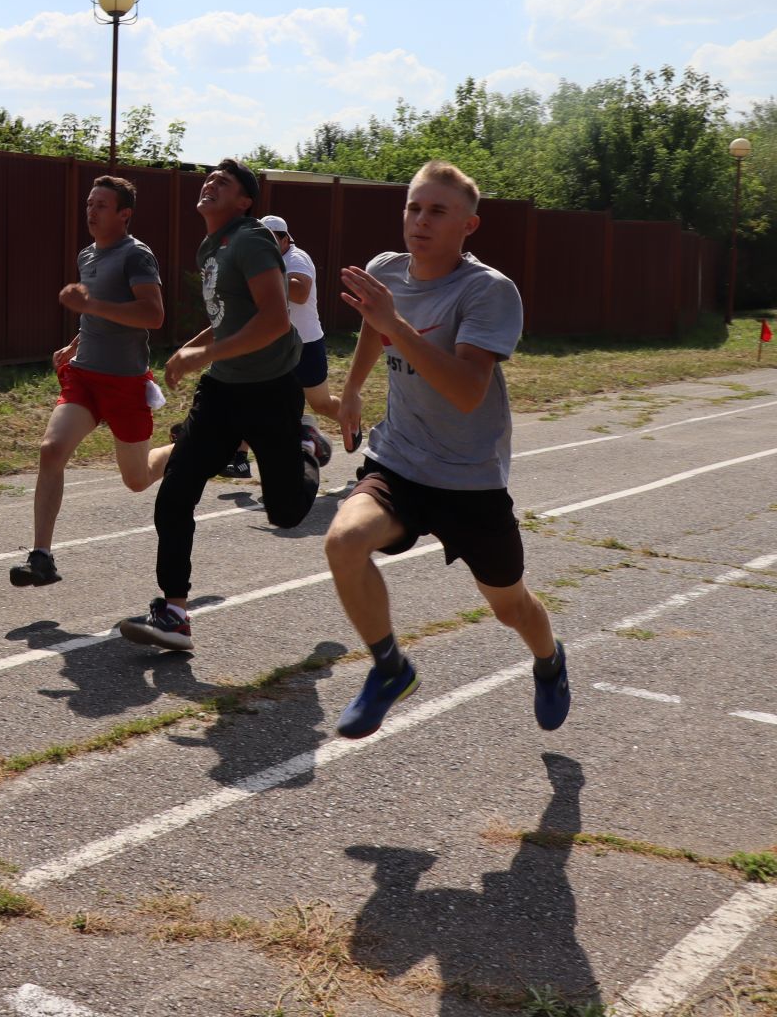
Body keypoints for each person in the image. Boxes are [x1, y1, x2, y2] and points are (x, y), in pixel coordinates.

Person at [324, 160, 568, 737]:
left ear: (469, 226)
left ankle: (550, 660)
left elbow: (465, 391)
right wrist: (355, 389)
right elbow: (371, 327)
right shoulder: (387, 272)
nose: (420, 220)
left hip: (469, 480)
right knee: (343, 540)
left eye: (437, 211)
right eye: (413, 207)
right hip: (400, 461)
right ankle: (390, 668)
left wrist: (394, 323)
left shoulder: (488, 291)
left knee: (511, 608)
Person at [121, 159, 329, 651]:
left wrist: (203, 354)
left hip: (271, 391)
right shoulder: (211, 246)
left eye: (225, 182)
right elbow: (234, 317)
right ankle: (174, 613)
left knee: (284, 513)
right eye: (209, 178)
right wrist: (190, 348)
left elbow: (277, 319)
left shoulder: (253, 239)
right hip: (221, 392)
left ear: (244, 202)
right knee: (175, 493)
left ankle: (305, 449)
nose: (211, 184)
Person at [9, 175, 172, 588]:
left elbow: (152, 315)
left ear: (124, 214)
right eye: (89, 204)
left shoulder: (137, 256)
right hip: (84, 376)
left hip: (124, 382)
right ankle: (41, 557)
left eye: (101, 205)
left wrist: (91, 304)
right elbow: (95, 313)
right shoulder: (87, 256)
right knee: (51, 450)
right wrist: (75, 341)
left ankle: (193, 443)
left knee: (136, 480)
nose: (91, 211)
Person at [263, 214, 356, 446]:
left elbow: (301, 293)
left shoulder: (297, 258)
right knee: (262, 398)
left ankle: (350, 419)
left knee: (321, 404)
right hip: (277, 344)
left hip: (306, 344)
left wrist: (264, 278)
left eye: (269, 239)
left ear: (285, 240)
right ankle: (242, 455)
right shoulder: (263, 261)